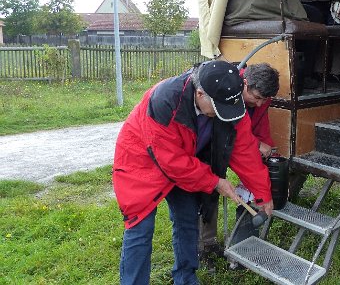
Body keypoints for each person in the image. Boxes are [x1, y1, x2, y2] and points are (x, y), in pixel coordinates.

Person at [113, 60, 274, 285]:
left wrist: (262, 194)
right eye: (218, 110)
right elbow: (172, 162)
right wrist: (215, 181)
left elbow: (245, 149)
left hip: (187, 162)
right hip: (142, 161)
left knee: (188, 219)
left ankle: (186, 277)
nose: (223, 115)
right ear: (200, 94)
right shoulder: (164, 100)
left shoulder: (230, 98)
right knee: (141, 228)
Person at [198, 62, 280, 269]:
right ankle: (204, 246)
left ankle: (212, 244)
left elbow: (258, 126)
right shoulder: (227, 90)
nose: (260, 104)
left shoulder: (259, 99)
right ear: (245, 84)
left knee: (218, 187)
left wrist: (265, 145)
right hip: (208, 144)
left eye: (265, 100)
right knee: (205, 193)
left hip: (232, 141)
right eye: (257, 98)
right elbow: (241, 147)